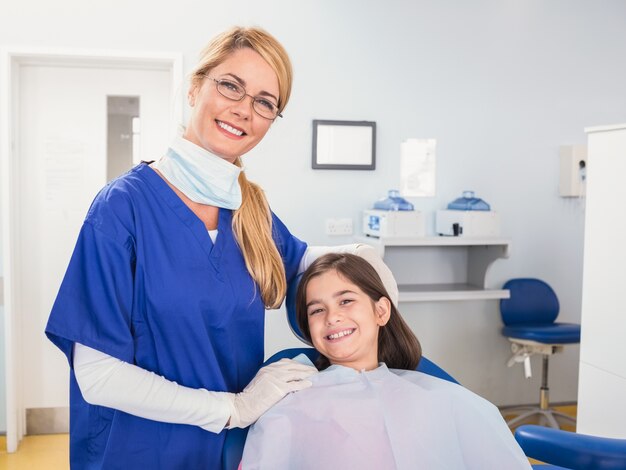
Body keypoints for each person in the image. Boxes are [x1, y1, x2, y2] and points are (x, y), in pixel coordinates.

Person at [45, 27, 395, 469]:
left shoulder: (249, 209)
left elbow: (308, 262)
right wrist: (233, 409)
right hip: (137, 452)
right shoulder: (122, 208)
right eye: (231, 85)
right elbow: (99, 377)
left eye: (265, 102)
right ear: (195, 88)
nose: (244, 110)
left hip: (226, 453)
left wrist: (365, 256)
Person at [241, 253, 532, 469]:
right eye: (317, 310)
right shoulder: (290, 399)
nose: (332, 317)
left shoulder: (441, 396)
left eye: (346, 301)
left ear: (381, 311)